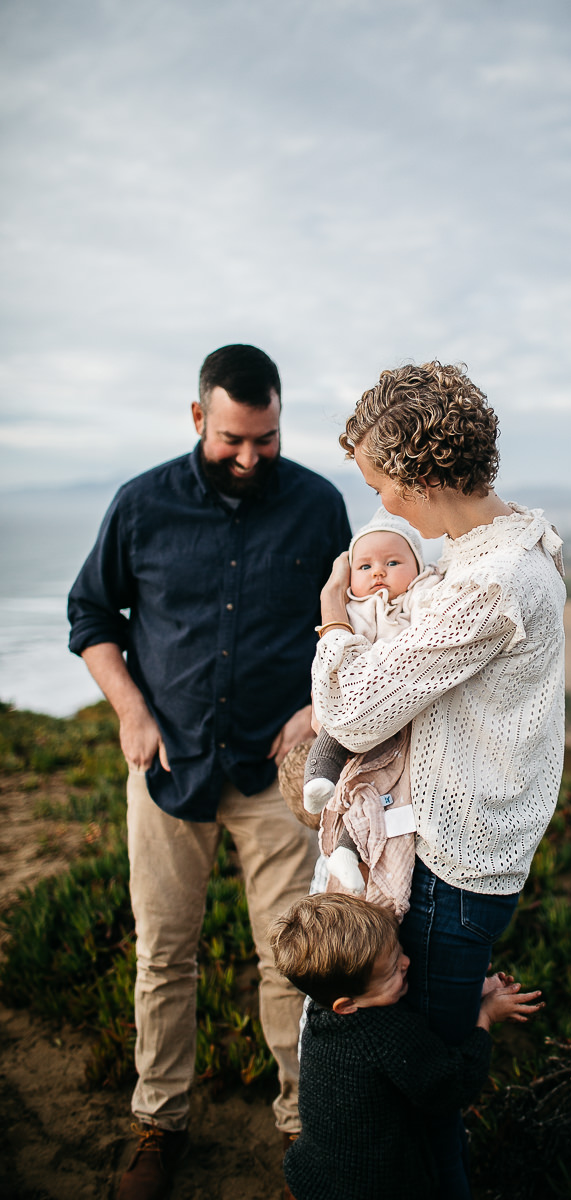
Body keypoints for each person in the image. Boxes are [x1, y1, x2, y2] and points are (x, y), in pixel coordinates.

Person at [67, 344, 351, 1200]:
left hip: (276, 778)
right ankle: (160, 1126)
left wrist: (318, 702)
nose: (250, 456)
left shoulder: (317, 505)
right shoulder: (141, 504)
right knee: (164, 955)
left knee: (291, 957)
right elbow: (91, 614)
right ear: (198, 418)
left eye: (265, 438)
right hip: (166, 769)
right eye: (233, 437)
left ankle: (308, 1128)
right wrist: (129, 707)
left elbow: (352, 625)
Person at [310, 361, 566, 1198]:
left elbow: (350, 714)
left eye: (383, 484)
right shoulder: (498, 548)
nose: (381, 505)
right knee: (416, 1092)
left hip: (450, 876)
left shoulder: (490, 583)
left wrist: (335, 618)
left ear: (421, 477)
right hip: (455, 858)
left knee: (425, 1104)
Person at [270, 893, 543, 1200]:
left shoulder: (322, 1013)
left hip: (316, 1174)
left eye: (399, 950)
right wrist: (485, 1016)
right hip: (376, 1188)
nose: (406, 962)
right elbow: (452, 1084)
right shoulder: (386, 1035)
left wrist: (470, 989)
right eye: (392, 971)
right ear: (346, 1005)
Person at [303, 509, 440, 913]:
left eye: (393, 562)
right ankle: (317, 781)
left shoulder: (422, 597)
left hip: (395, 719)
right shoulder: (351, 609)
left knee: (376, 794)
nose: (378, 572)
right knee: (338, 763)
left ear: (417, 566)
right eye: (365, 566)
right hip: (351, 717)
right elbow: (329, 670)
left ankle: (347, 849)